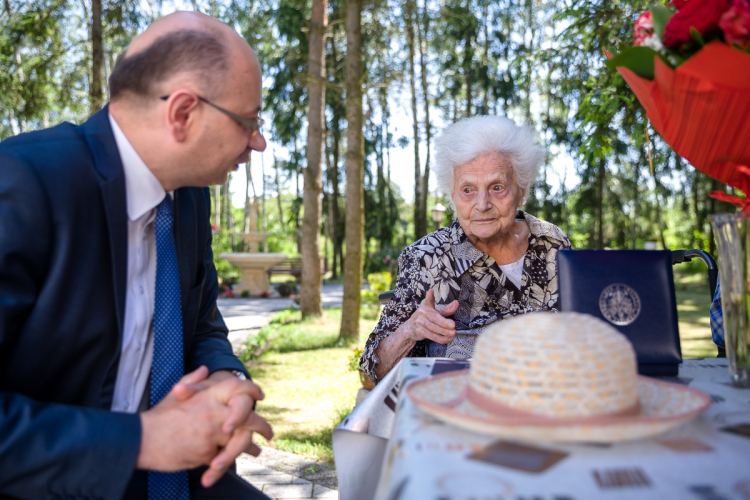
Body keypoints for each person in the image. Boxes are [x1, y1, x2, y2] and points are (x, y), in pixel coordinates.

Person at [0, 11, 274, 500]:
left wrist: (227, 380)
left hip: (172, 479)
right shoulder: (23, 184)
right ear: (183, 113)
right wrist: (142, 441)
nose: (259, 141)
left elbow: (203, 324)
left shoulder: (190, 198)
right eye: (248, 121)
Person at [360, 116, 572, 383]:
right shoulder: (427, 258)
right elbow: (370, 375)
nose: (482, 204)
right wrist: (410, 330)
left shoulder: (552, 242)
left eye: (497, 187)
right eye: (468, 190)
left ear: (521, 191)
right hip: (459, 412)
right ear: (453, 196)